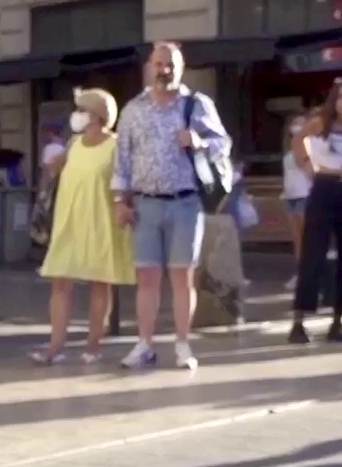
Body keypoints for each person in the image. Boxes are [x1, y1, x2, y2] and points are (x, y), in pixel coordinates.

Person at [111, 41, 233, 370]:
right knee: (147, 277)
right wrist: (120, 200)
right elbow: (122, 158)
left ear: (181, 68)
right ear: (150, 66)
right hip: (146, 204)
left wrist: (200, 141)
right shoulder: (134, 109)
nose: (165, 69)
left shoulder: (196, 104)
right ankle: (144, 345)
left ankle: (182, 346)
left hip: (185, 202)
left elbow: (224, 144)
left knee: (182, 277)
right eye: (159, 63)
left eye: (171, 65)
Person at [33, 89, 132, 364]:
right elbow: (60, 169)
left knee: (100, 284)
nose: (75, 116)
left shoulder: (115, 146)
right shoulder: (74, 143)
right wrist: (53, 167)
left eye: (81, 110)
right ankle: (55, 346)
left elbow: (123, 182)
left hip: (100, 222)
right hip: (70, 221)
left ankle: (93, 345)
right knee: (60, 282)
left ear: (97, 115)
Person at [288, 81, 342, 344]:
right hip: (324, 186)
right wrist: (308, 165)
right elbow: (298, 139)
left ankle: (339, 320)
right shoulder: (321, 122)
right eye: (341, 98)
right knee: (313, 253)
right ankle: (299, 321)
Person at [280, 111, 314, 291]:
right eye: (295, 123)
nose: (297, 127)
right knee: (298, 241)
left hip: (305, 196)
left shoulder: (309, 145)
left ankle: (309, 277)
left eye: (302, 123)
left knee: (307, 240)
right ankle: (301, 274)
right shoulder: (289, 148)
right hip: (291, 197)